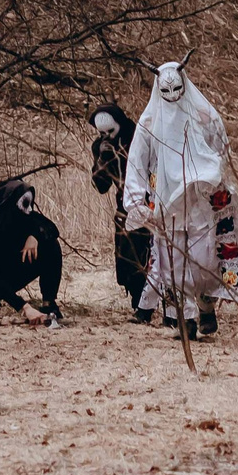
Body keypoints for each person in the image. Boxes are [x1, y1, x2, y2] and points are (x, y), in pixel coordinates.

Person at [123, 60, 237, 338]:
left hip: (200, 198)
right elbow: (137, 161)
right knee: (172, 260)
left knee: (205, 256)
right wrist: (137, 199)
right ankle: (185, 318)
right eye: (166, 90)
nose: (172, 96)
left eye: (177, 89)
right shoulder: (149, 122)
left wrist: (215, 177)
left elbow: (221, 149)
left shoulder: (203, 115)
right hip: (166, 200)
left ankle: (205, 302)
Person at [0, 179, 64, 327]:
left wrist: (35, 236)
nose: (28, 211)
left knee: (50, 244)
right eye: (24, 204)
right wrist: (24, 307)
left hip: (10, 273)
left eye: (30, 204)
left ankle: (48, 303)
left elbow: (51, 229)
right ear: (11, 202)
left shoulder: (28, 219)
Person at [88, 103, 155, 322]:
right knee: (129, 256)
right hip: (124, 205)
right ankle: (139, 303)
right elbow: (100, 186)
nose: (106, 136)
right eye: (102, 133)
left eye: (110, 131)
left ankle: (161, 305)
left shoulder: (139, 138)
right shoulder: (100, 146)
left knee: (153, 253)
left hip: (151, 200)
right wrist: (104, 160)